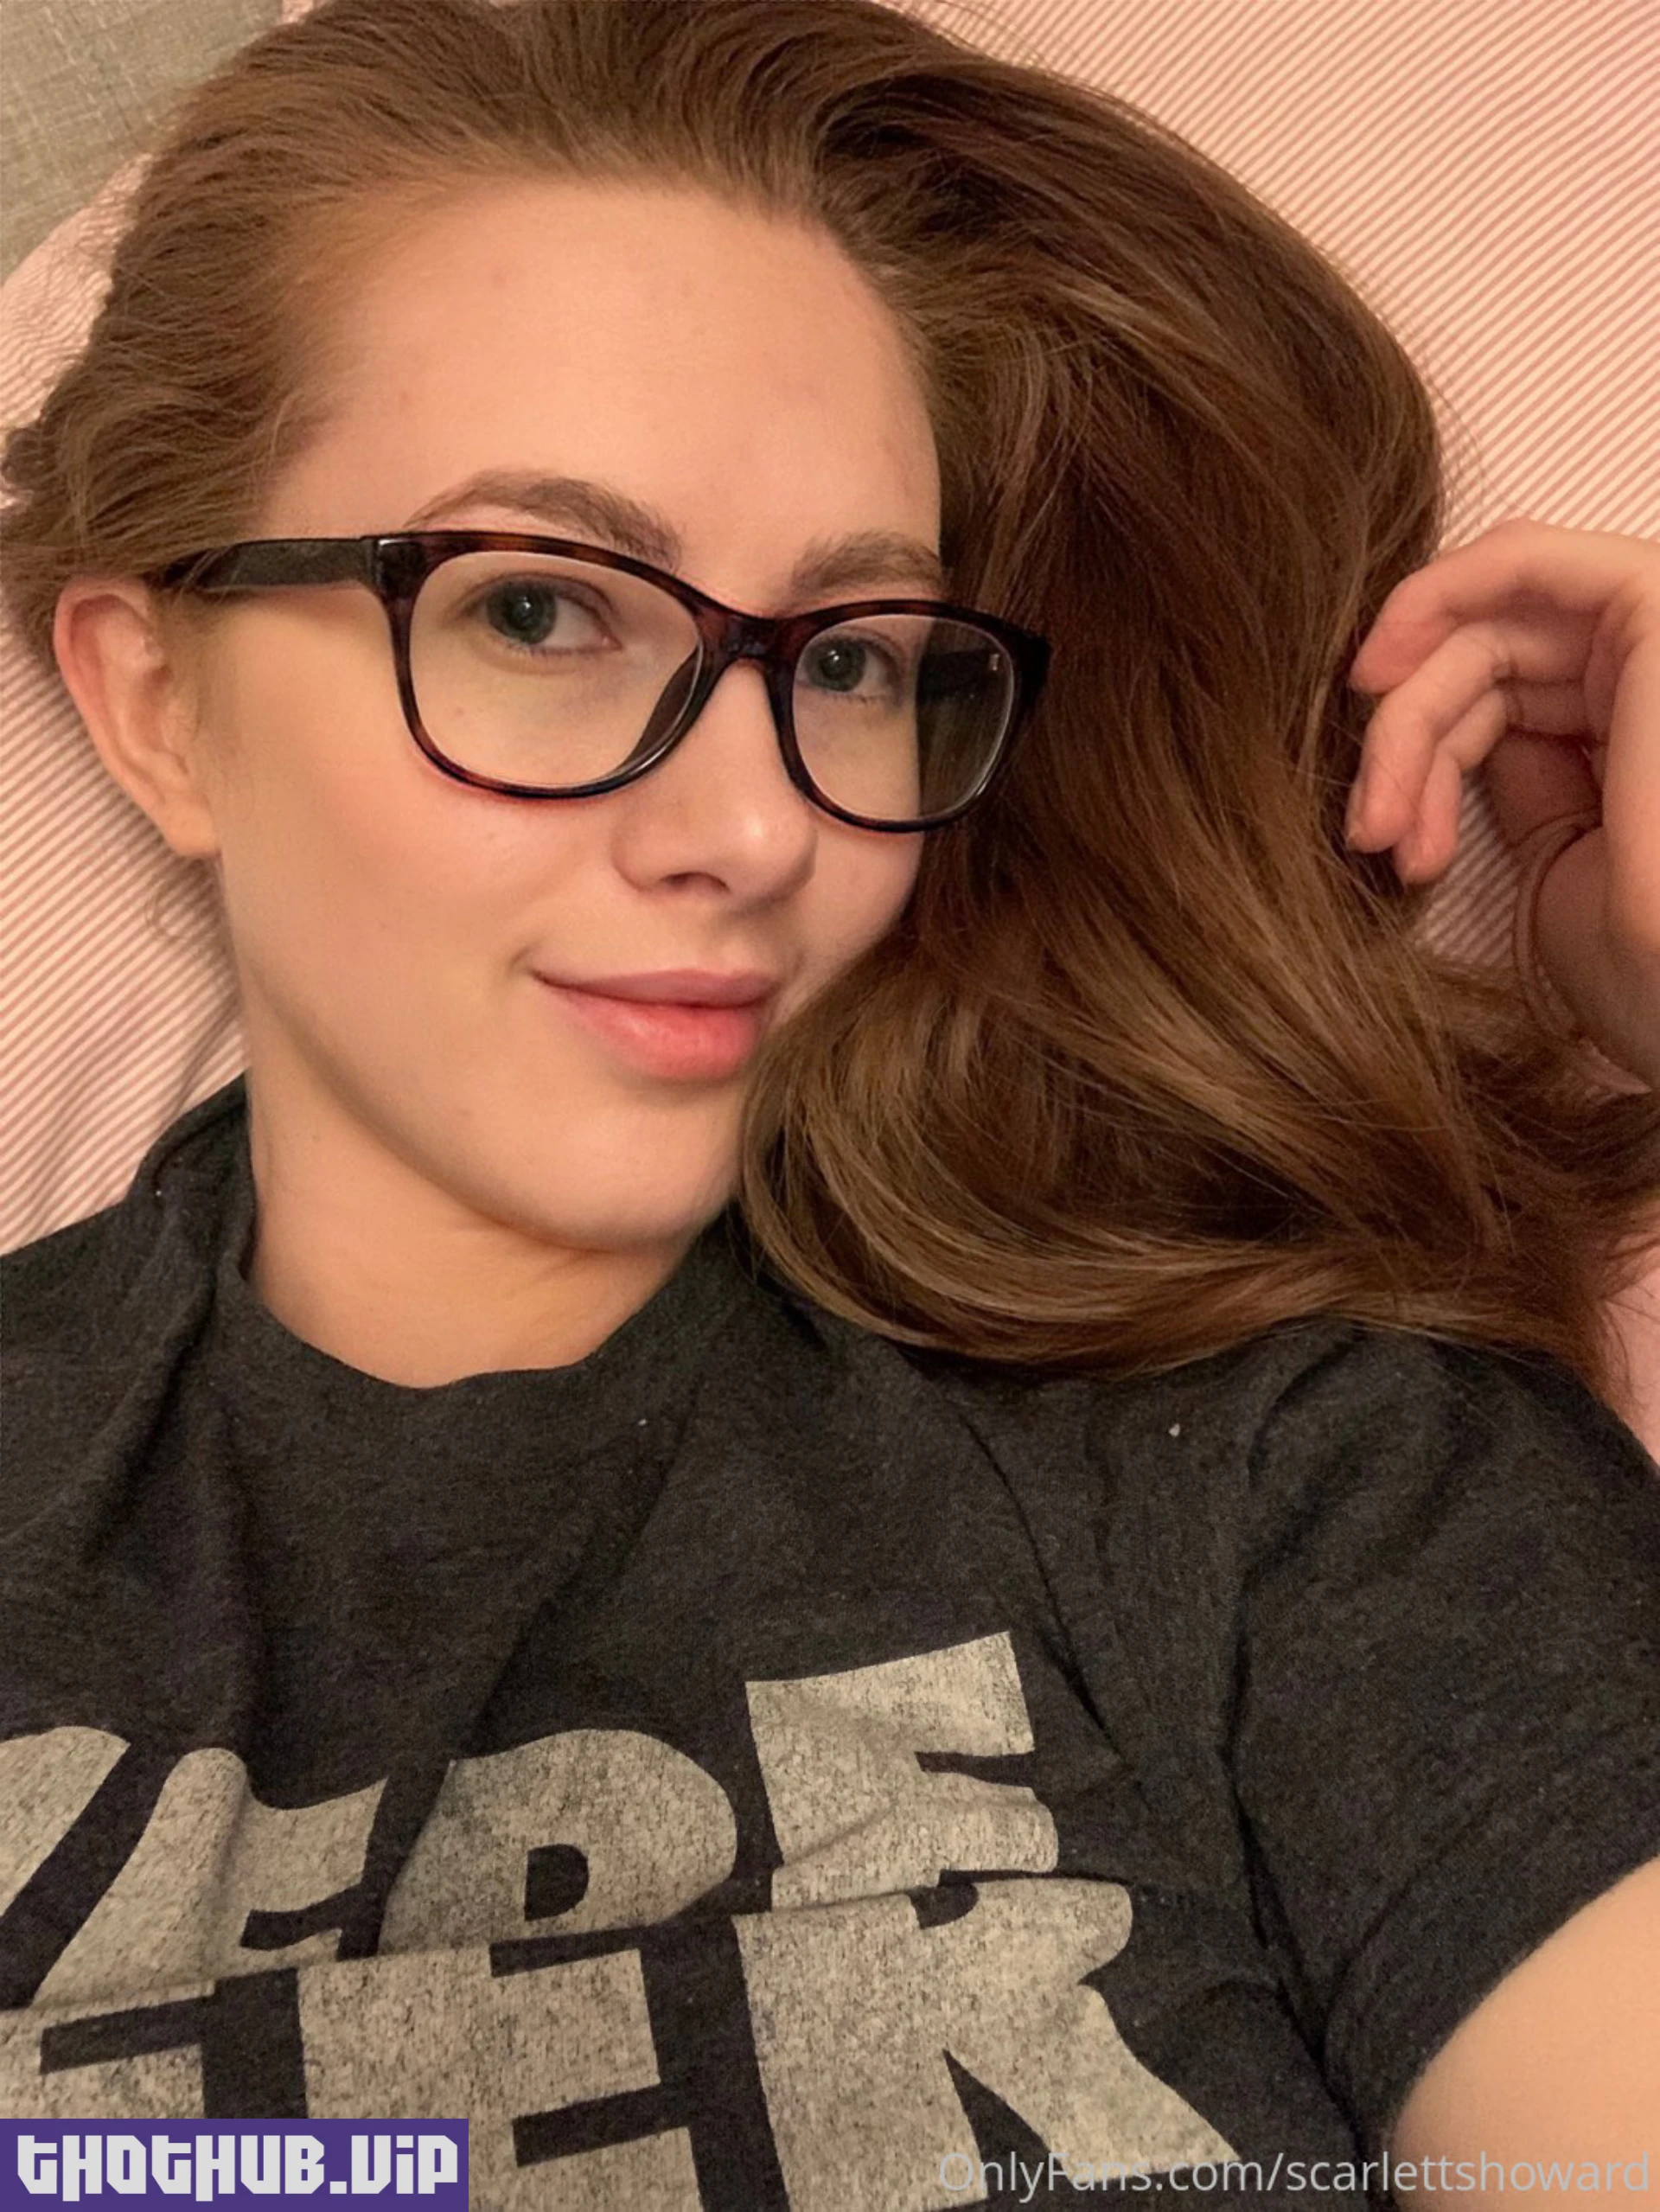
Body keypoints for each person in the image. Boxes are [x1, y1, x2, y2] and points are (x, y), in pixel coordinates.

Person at [2, 0, 1657, 2200]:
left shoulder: (1291, 1465)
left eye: (854, 658)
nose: (755, 830)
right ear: (157, 703)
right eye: (537, 611)